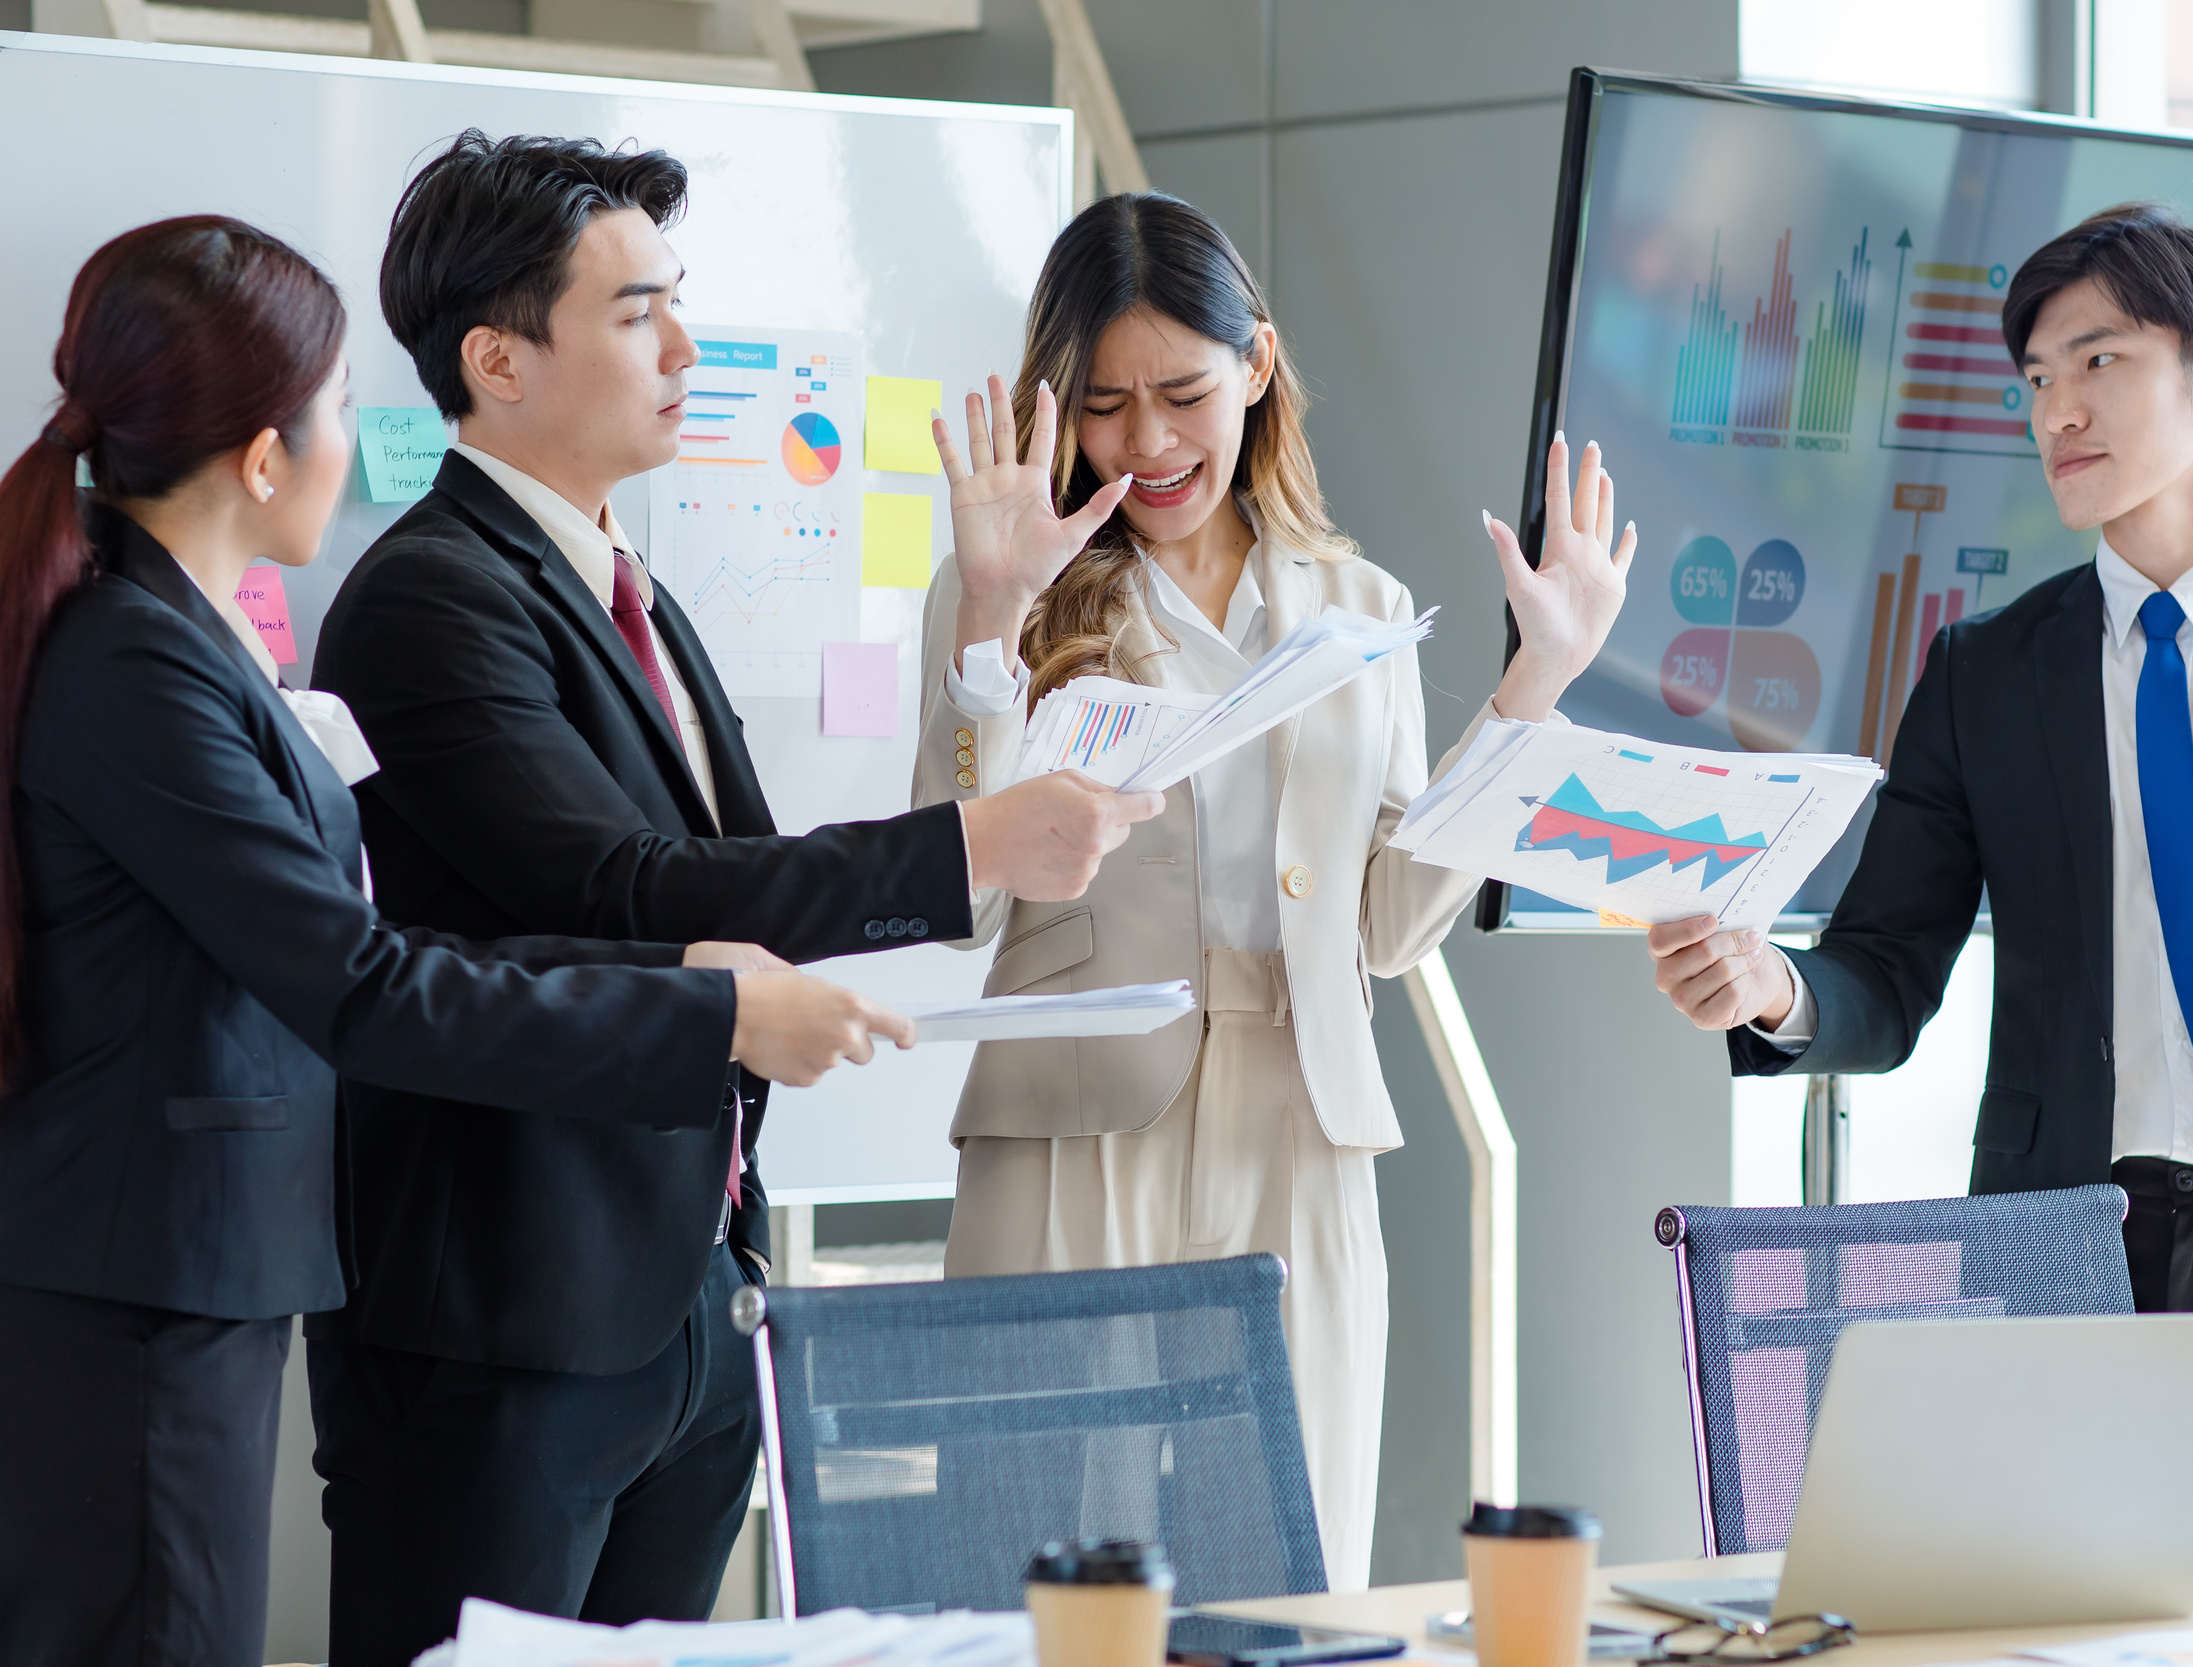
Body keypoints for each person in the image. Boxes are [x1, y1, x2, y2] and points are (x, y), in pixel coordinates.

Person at [0, 216, 909, 1667]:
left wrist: (687, 982)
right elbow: (362, 984)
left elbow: (377, 940)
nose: (357, 443)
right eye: (337, 407)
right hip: (147, 1293)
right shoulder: (137, 660)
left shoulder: (177, 638)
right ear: (259, 452)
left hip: (196, 1276)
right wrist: (704, 1016)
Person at [304, 131, 1162, 1666]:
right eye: (637, 312)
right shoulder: (433, 596)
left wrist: (992, 628)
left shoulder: (629, 587)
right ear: (499, 360)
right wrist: (968, 844)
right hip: (506, 1324)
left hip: (690, 1304)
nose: (687, 347)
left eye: (676, 301)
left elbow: (745, 891)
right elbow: (626, 891)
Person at [1650, 203, 2193, 1504]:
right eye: (2038, 379)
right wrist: (1778, 990)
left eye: (2098, 362)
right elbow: (1884, 972)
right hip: (2062, 1249)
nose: (2058, 410)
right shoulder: (1987, 671)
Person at [916, 191, 1636, 1587]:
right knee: (1058, 1576)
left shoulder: (1357, 605)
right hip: (1076, 1120)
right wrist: (991, 622)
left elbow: (1387, 923)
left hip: (1300, 1121)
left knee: (1293, 1568)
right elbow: (955, 892)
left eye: (1184, 392)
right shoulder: (1011, 579)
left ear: (1257, 366)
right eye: (1107, 404)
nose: (1149, 442)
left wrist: (1532, 688)